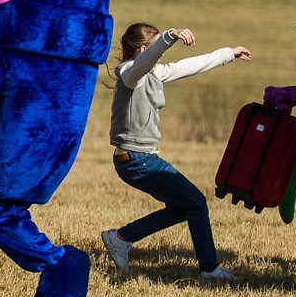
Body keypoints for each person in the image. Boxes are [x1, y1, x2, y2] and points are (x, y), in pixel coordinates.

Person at [101, 24, 251, 281]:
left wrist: (229, 53)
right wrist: (170, 36)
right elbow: (141, 64)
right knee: (196, 203)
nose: (162, 55)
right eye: (157, 48)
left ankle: (121, 237)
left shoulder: (154, 73)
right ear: (144, 49)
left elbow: (190, 65)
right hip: (137, 160)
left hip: (140, 159)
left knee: (185, 207)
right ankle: (210, 269)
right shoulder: (130, 73)